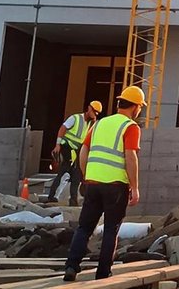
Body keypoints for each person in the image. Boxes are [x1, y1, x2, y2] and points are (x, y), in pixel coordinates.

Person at [64, 86, 144, 282]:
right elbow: (130, 156)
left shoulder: (98, 124)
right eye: (140, 107)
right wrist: (134, 187)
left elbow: (84, 151)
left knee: (84, 227)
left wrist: (85, 175)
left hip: (93, 183)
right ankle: (103, 273)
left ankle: (72, 266)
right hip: (116, 186)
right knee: (111, 228)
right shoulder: (130, 127)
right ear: (135, 107)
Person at [45, 100, 101, 205]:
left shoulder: (90, 124)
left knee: (77, 174)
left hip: (77, 150)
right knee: (65, 169)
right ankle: (51, 196)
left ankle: (73, 200)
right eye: (94, 111)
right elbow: (62, 129)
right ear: (89, 108)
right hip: (67, 147)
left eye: (97, 113)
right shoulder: (75, 118)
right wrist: (57, 145)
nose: (95, 114)